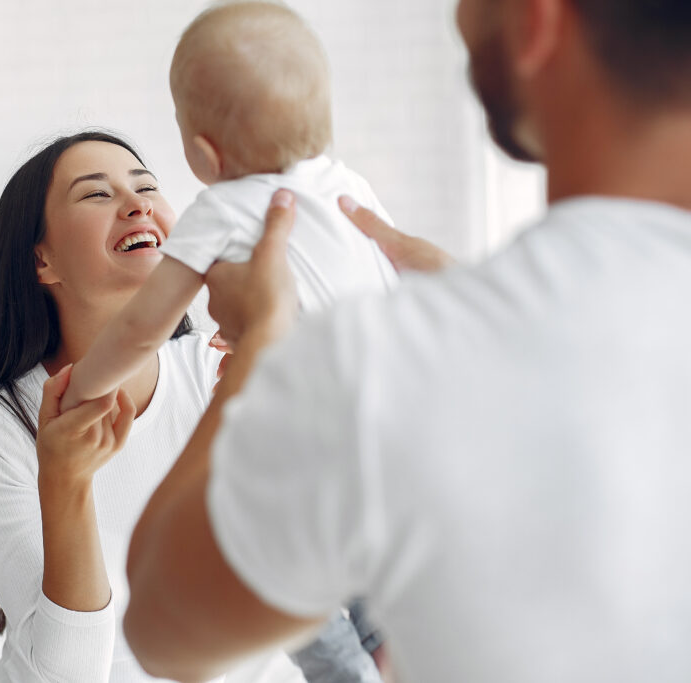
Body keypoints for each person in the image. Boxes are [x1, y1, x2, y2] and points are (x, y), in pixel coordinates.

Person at [123, 0, 691, 681]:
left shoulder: (377, 367)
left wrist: (259, 348)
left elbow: (163, 626)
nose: (456, 17)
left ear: (538, 20)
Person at [0, 131, 363, 682]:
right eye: (96, 194)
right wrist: (65, 485)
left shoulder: (220, 370)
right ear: (42, 260)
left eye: (147, 187)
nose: (137, 204)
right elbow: (70, 675)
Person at [59, 1, 396, 412]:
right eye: (98, 193)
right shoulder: (349, 186)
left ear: (206, 154)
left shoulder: (221, 210)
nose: (137, 205)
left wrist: (79, 391)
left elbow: (140, 330)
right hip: (394, 380)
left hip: (322, 405)